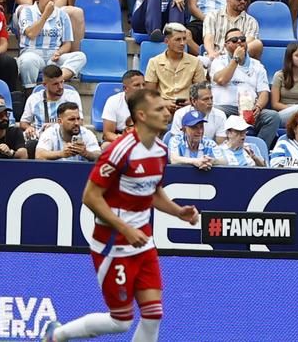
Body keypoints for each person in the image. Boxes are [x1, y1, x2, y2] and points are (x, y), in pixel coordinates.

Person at [38, 88, 198, 342]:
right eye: (159, 109)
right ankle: (57, 335)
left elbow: (153, 191)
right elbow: (90, 196)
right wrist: (125, 228)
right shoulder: (119, 151)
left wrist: (178, 211)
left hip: (143, 242)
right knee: (121, 321)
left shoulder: (160, 150)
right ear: (142, 115)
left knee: (153, 314)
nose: (167, 113)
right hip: (113, 243)